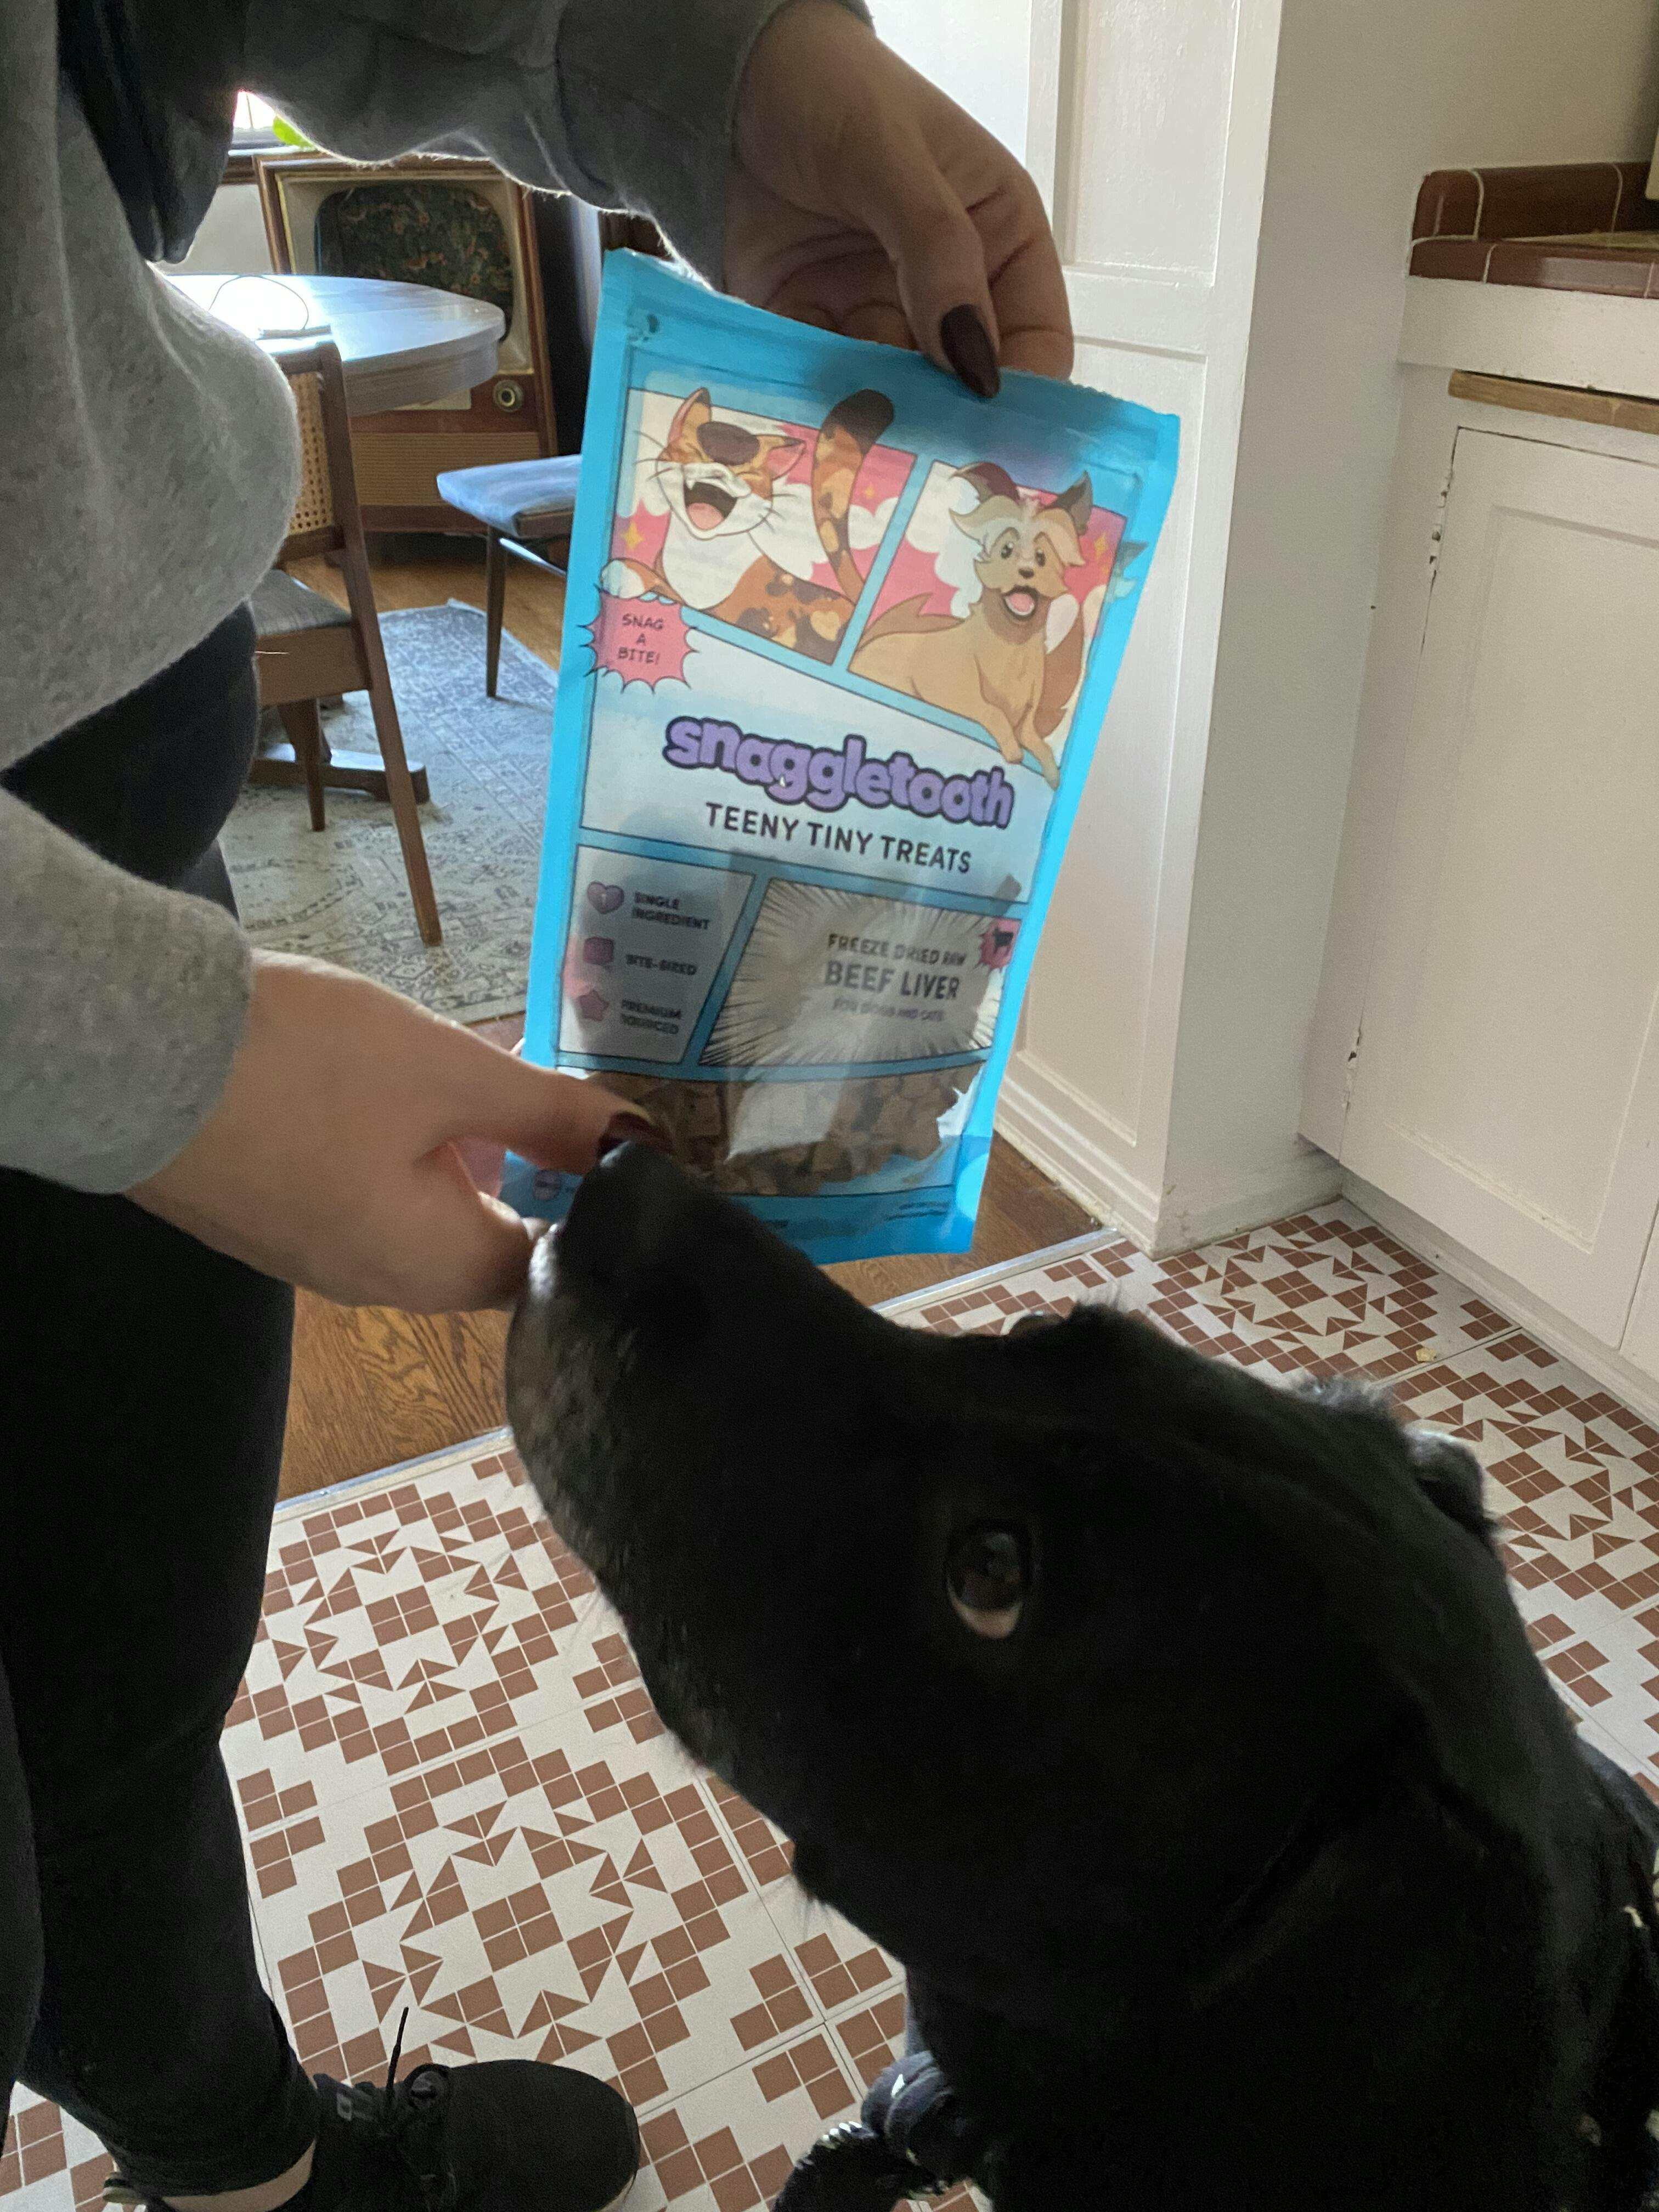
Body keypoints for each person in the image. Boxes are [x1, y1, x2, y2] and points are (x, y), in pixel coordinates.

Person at [0, 4, 1072, 2210]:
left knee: (130, 1678)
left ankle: (241, 2170)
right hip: (98, 978)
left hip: (117, 788)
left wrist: (716, 66)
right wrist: (160, 1054)